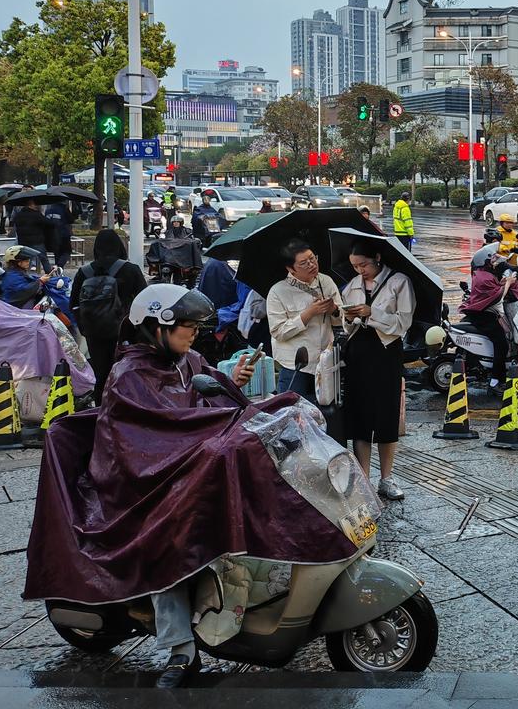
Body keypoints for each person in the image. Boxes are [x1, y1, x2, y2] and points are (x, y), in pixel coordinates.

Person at [23, 284, 365, 689]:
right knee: (169, 544)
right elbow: (152, 440)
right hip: (138, 490)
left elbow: (208, 399)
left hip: (183, 469)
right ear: (156, 327)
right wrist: (223, 433)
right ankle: (181, 649)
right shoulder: (128, 376)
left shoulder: (187, 360)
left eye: (195, 326)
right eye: (185, 325)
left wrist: (236, 387)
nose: (192, 333)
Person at [341, 238, 415, 501]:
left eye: (363, 265)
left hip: (386, 352)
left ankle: (386, 477)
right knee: (359, 415)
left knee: (386, 414)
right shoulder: (352, 285)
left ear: (377, 258)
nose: (360, 270)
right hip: (357, 351)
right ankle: (363, 479)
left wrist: (371, 313)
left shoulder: (399, 282)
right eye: (355, 266)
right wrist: (349, 318)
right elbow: (345, 326)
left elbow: (403, 322)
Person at [69, 229, 148, 399]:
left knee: (100, 374)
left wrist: (85, 327)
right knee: (124, 372)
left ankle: (100, 407)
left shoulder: (84, 272)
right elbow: (145, 299)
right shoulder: (130, 269)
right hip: (124, 331)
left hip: (94, 332)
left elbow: (73, 304)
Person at [267, 240, 342, 401]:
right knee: (293, 409)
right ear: (290, 269)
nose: (311, 265)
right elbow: (278, 332)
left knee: (326, 409)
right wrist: (309, 313)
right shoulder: (277, 292)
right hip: (295, 366)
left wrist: (334, 310)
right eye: (303, 263)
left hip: (325, 362)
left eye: (312, 258)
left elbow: (341, 321)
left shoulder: (326, 282)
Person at [459, 244, 518, 392]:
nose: (494, 263)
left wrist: (503, 282)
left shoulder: (481, 274)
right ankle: (495, 381)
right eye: (491, 261)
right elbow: (498, 296)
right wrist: (508, 283)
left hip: (481, 313)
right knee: (502, 345)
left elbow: (495, 288)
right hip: (484, 315)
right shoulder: (484, 278)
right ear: (485, 262)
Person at [11, 199, 52, 273]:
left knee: (24, 259)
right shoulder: (36, 214)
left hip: (23, 241)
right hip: (36, 241)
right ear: (31, 204)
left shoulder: (19, 215)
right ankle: (49, 274)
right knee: (44, 259)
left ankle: (23, 274)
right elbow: (48, 222)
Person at [42, 196, 74, 268]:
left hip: (52, 235)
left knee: (57, 253)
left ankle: (57, 268)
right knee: (67, 251)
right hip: (64, 234)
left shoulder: (48, 210)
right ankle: (59, 265)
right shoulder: (64, 208)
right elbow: (71, 220)